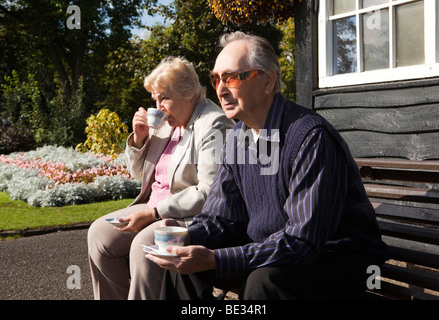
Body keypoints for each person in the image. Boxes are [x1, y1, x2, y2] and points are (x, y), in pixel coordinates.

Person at [145, 32, 390, 300]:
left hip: (346, 262)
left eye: (232, 77)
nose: (220, 89)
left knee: (264, 281)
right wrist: (188, 237)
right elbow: (221, 218)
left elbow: (302, 242)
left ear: (268, 81)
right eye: (216, 78)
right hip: (279, 251)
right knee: (181, 263)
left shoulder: (310, 137)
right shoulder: (238, 137)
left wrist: (216, 259)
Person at [87, 56, 235, 300]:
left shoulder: (213, 124)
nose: (158, 106)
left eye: (163, 97)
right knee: (99, 234)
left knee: (143, 245)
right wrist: (139, 139)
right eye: (155, 99)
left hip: (186, 216)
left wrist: (154, 213)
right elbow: (139, 175)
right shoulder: (165, 123)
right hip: (152, 207)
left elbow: (208, 192)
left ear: (188, 94)